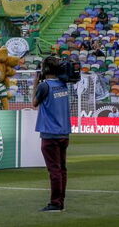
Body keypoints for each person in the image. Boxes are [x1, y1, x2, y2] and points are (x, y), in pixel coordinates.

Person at [33, 57, 72, 213]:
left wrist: (35, 83)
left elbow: (34, 103)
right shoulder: (63, 85)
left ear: (45, 70)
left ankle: (55, 203)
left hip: (50, 134)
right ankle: (60, 201)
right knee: (62, 169)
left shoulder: (44, 86)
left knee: (54, 170)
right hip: (64, 132)